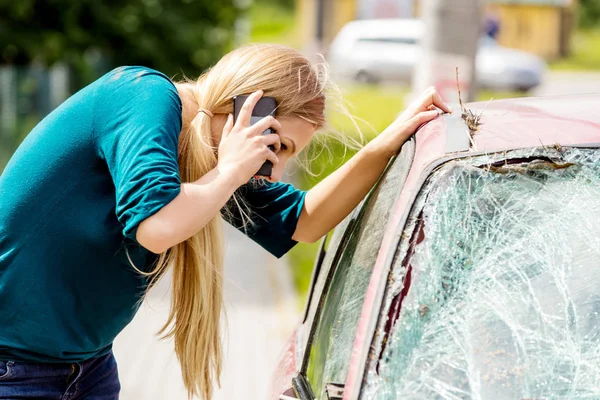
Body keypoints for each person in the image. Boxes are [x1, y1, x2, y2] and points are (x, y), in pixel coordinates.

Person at [0, 44, 451, 399]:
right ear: (247, 110)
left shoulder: (210, 160)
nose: (271, 171)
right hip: (14, 369)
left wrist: (386, 145)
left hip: (86, 368)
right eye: (278, 147)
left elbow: (304, 222)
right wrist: (231, 171)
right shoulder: (140, 94)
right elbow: (156, 226)